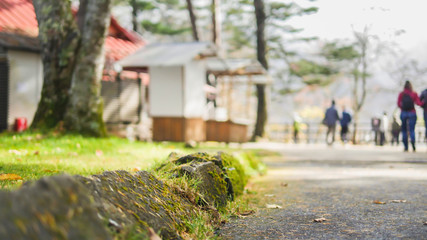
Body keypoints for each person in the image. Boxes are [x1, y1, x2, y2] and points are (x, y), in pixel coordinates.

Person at [397, 80, 423, 152]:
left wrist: (403, 108)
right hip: (412, 112)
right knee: (412, 130)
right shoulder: (414, 94)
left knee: (404, 130)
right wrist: (423, 102)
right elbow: (418, 103)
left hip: (404, 113)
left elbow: (398, 104)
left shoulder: (401, 94)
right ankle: (413, 144)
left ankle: (406, 147)